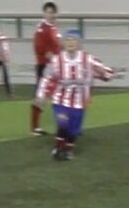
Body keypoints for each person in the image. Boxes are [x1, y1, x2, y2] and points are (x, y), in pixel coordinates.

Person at [37, 30, 117, 161]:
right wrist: (41, 95)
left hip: (80, 102)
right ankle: (58, 148)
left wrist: (108, 73)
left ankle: (68, 150)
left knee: (74, 130)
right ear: (63, 43)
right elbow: (46, 78)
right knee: (63, 123)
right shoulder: (57, 60)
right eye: (67, 40)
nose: (70, 43)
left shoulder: (87, 59)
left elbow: (104, 70)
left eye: (73, 40)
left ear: (79, 43)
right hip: (60, 100)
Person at [30, 2, 60, 136]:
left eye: (52, 12)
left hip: (54, 66)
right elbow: (40, 48)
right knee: (41, 97)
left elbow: (57, 47)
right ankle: (34, 127)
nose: (50, 14)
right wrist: (55, 60)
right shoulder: (42, 28)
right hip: (45, 66)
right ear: (44, 13)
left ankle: (64, 126)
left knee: (59, 96)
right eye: (48, 12)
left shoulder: (53, 28)